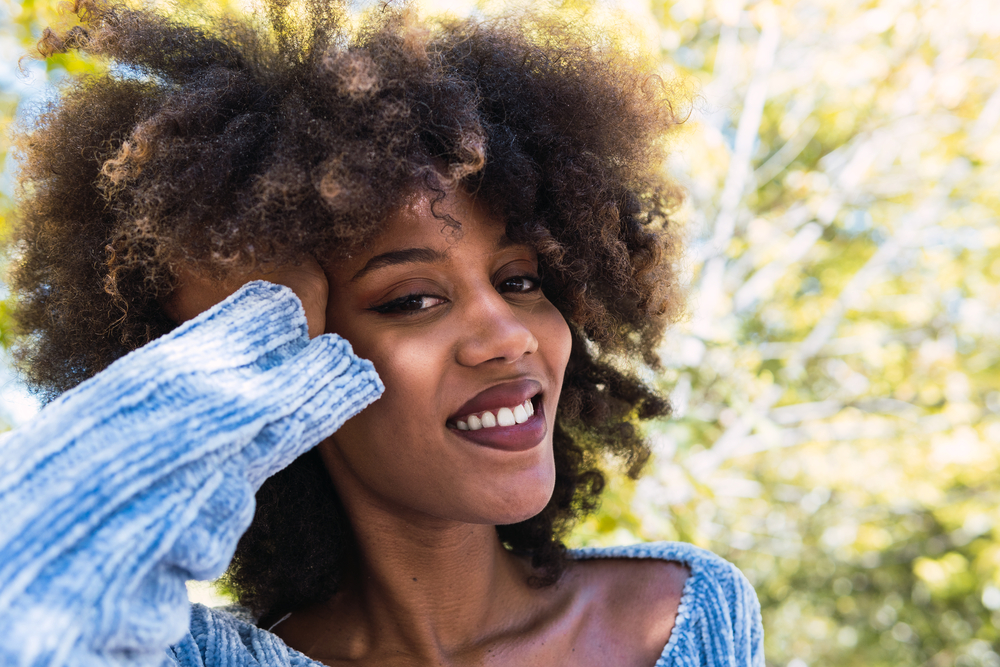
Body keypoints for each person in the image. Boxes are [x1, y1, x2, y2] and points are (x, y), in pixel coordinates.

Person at [0, 0, 764, 665]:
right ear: (308, 363)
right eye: (411, 300)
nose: (507, 335)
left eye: (521, 281)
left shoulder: (680, 617)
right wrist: (258, 331)